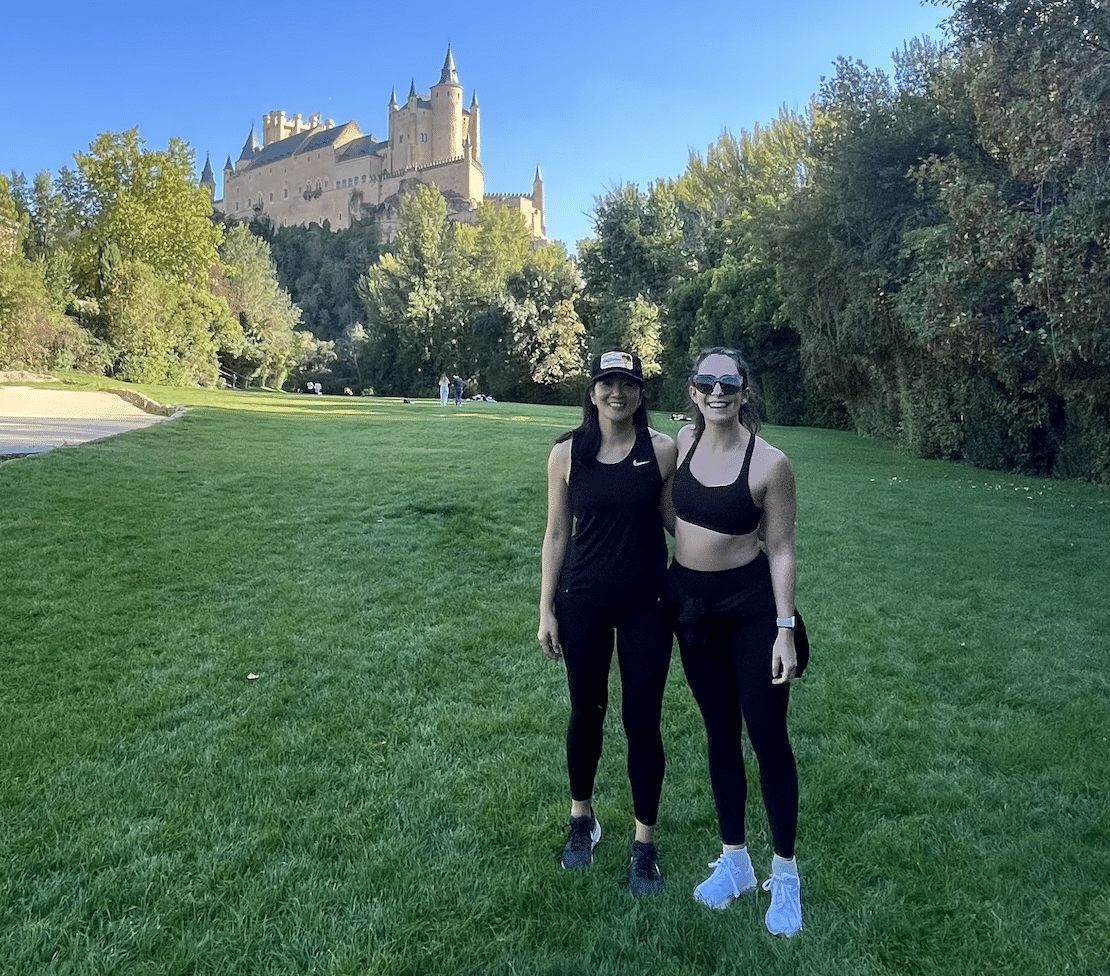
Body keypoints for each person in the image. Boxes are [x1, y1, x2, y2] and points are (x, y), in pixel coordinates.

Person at [663, 347, 807, 937]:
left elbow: (782, 549)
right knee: (719, 732)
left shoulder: (770, 463)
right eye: (707, 382)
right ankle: (735, 862)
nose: (717, 392)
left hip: (750, 613)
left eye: (729, 383)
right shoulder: (682, 444)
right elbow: (672, 511)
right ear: (693, 391)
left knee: (767, 737)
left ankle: (785, 874)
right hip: (692, 611)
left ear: (744, 391)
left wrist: (784, 630)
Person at [538, 351, 677, 896]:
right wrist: (546, 608)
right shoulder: (566, 453)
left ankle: (645, 845)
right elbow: (556, 534)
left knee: (643, 721)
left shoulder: (661, 450)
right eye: (607, 383)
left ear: (641, 393)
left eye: (628, 384)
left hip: (647, 604)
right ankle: (582, 819)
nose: (617, 393)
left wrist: (741, 538)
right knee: (586, 711)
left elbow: (675, 521)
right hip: (584, 601)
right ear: (592, 391)